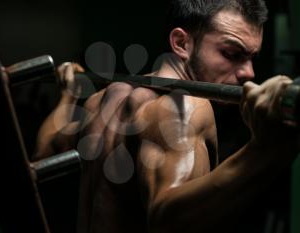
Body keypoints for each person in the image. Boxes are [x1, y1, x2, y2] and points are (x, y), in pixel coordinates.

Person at [34, 0, 299, 232]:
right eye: (232, 54)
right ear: (182, 43)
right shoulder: (184, 105)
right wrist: (264, 151)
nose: (249, 73)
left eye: (252, 58)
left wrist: (68, 96)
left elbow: (43, 156)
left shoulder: (98, 100)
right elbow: (167, 221)